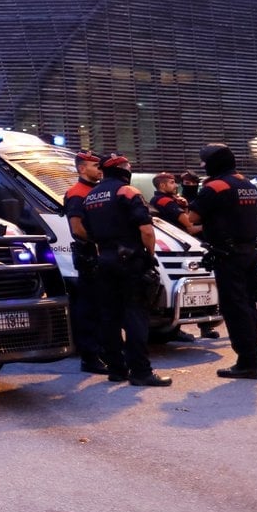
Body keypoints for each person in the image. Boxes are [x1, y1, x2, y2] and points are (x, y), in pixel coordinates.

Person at [78, 153, 172, 386]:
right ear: (123, 170)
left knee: (109, 316)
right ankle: (140, 371)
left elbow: (87, 231)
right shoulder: (127, 192)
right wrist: (149, 256)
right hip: (130, 260)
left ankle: (117, 369)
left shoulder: (90, 196)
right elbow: (147, 231)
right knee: (135, 315)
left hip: (105, 259)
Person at [187, 143, 257, 380]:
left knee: (235, 308)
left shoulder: (215, 187)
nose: (203, 167)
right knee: (248, 306)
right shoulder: (247, 185)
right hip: (249, 252)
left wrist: (191, 193)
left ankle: (247, 363)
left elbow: (192, 218)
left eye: (204, 163)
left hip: (228, 255)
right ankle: (253, 358)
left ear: (213, 163)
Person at [149, 172, 220, 340]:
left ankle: (201, 327)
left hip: (182, 247)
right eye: (172, 183)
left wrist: (186, 206)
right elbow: (188, 224)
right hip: (180, 248)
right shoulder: (164, 201)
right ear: (162, 185)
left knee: (192, 291)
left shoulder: (167, 200)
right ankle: (185, 329)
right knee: (185, 291)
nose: (176, 186)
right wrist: (213, 225)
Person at [62, 150, 107, 373]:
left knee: (103, 306)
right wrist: (100, 240)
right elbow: (77, 228)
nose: (99, 169)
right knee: (89, 307)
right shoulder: (77, 193)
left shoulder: (96, 190)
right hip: (89, 254)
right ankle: (90, 357)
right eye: (94, 165)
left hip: (100, 254)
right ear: (82, 168)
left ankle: (103, 351)